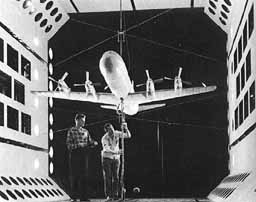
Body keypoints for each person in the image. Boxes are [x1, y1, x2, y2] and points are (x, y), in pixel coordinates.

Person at [66, 113, 98, 202]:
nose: (84, 122)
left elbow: (90, 141)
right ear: (77, 120)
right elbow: (69, 145)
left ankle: (84, 197)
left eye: (84, 121)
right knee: (75, 175)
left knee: (84, 176)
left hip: (84, 154)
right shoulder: (71, 130)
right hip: (75, 154)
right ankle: (74, 197)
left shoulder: (86, 131)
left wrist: (94, 143)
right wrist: (78, 145)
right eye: (82, 121)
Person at [101, 122, 131, 201]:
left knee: (116, 177)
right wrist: (116, 152)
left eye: (112, 128)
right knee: (108, 177)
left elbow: (128, 135)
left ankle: (115, 195)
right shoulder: (104, 138)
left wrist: (126, 128)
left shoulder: (117, 133)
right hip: (106, 158)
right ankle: (109, 195)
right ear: (106, 131)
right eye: (109, 130)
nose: (112, 130)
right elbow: (107, 149)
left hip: (116, 159)